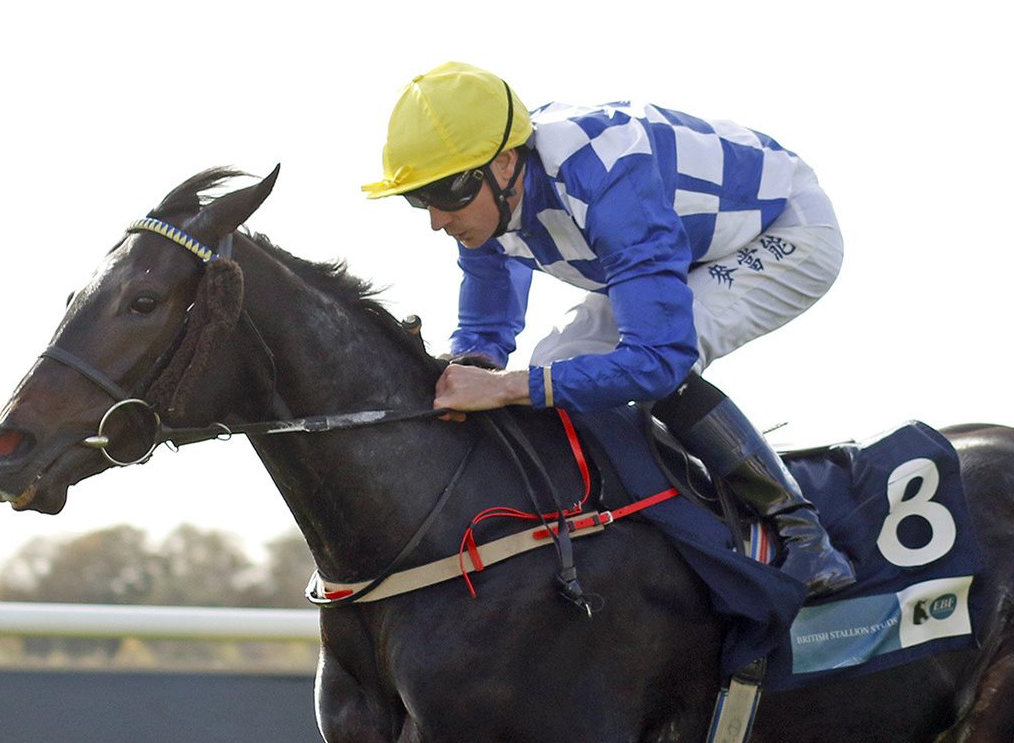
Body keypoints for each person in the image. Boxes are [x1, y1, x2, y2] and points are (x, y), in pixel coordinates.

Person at [362, 61, 855, 599]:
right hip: (686, 240)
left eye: (447, 192)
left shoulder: (604, 174)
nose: (437, 218)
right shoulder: (484, 194)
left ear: (504, 163)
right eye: (418, 198)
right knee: (558, 359)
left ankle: (806, 537)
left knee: (655, 361)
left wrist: (505, 387)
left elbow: (658, 359)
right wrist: (476, 369)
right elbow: (487, 322)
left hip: (787, 228)